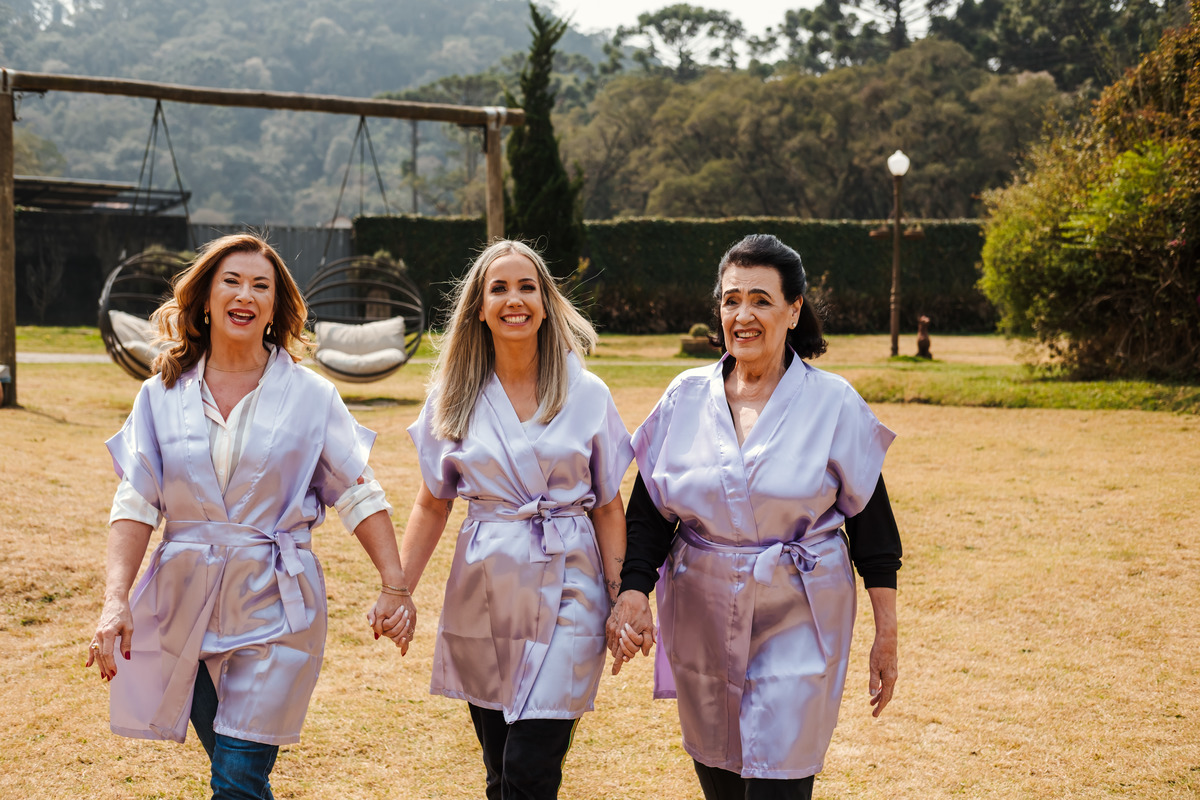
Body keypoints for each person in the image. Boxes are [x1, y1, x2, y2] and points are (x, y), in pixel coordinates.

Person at [86, 233, 415, 800]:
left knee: (238, 777)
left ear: (274, 306)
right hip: (182, 604)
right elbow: (135, 504)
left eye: (261, 285)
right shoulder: (160, 395)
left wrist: (396, 585)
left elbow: (359, 492)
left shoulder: (312, 396)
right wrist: (116, 601)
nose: (246, 294)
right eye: (231, 282)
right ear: (206, 300)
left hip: (277, 606)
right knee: (235, 772)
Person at [608, 234, 902, 800]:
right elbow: (648, 513)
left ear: (793, 310)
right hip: (702, 609)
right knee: (720, 775)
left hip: (800, 609)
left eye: (762, 300)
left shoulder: (834, 403)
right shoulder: (684, 396)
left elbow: (874, 531)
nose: (743, 314)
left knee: (779, 779)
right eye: (731, 299)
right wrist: (633, 593)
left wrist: (885, 635)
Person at [399, 240, 633, 800]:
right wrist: (397, 590)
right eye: (498, 289)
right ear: (478, 307)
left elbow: (606, 503)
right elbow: (432, 502)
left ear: (547, 302)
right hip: (486, 587)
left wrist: (623, 594)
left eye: (527, 286)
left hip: (570, 586)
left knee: (531, 767)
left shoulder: (586, 393)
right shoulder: (452, 398)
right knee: (501, 769)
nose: (514, 299)